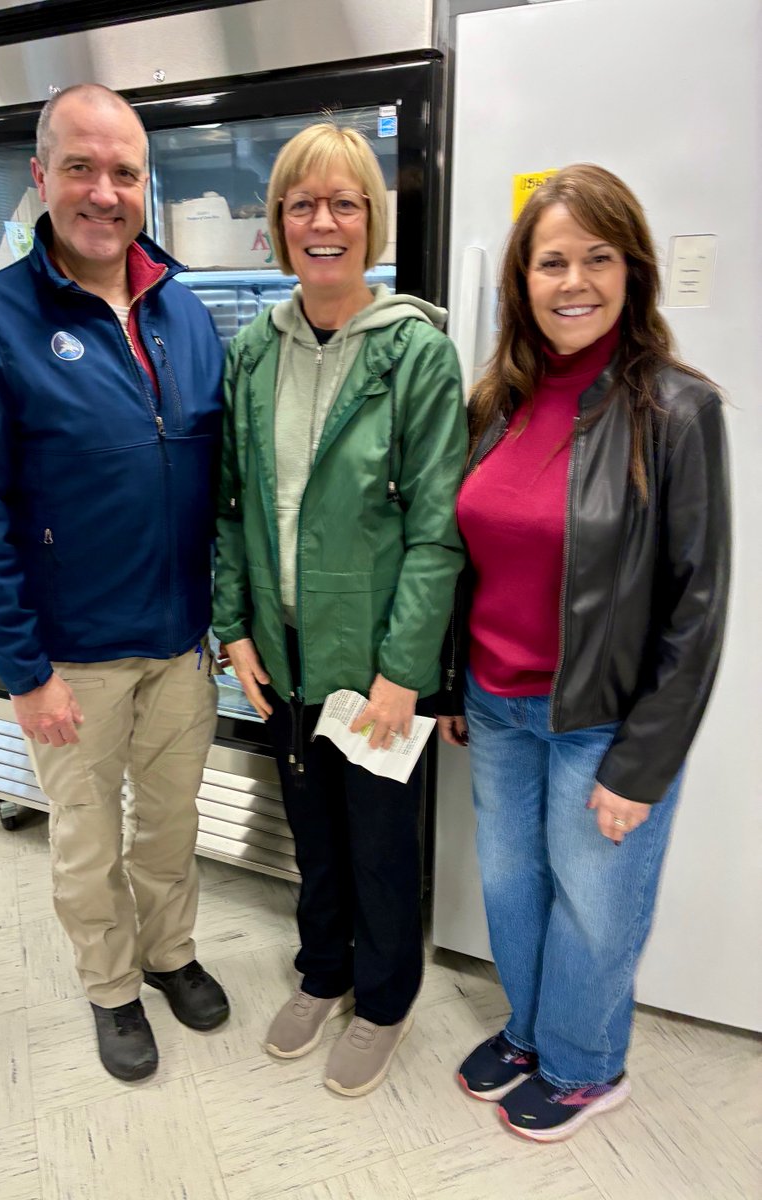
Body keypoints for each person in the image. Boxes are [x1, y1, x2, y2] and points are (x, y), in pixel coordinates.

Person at [0, 84, 229, 1082]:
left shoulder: (185, 315)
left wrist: (221, 626)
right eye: (81, 168)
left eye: (125, 172)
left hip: (181, 646)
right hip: (70, 659)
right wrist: (24, 669)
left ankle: (170, 954)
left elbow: (215, 486)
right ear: (40, 179)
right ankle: (111, 986)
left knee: (173, 825)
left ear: (148, 184)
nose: (105, 192)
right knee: (87, 840)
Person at [437, 164, 730, 1141]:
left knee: (596, 908)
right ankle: (530, 1032)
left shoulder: (679, 409)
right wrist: (450, 685)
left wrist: (644, 762)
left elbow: (699, 602)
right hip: (497, 705)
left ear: (631, 268)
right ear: (522, 279)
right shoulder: (499, 399)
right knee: (514, 891)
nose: (573, 281)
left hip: (599, 720)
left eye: (596, 258)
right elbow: (467, 556)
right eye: (551, 261)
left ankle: (585, 1065)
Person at [213, 123, 467, 1097]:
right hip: (281, 655)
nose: (323, 222)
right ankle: (323, 972)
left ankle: (386, 997)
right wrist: (233, 626)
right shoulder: (252, 356)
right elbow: (232, 504)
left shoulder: (415, 354)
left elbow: (439, 531)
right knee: (313, 833)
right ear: (280, 224)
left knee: (378, 840)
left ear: (372, 221)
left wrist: (407, 670)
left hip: (374, 670)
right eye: (302, 204)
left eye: (344, 203)